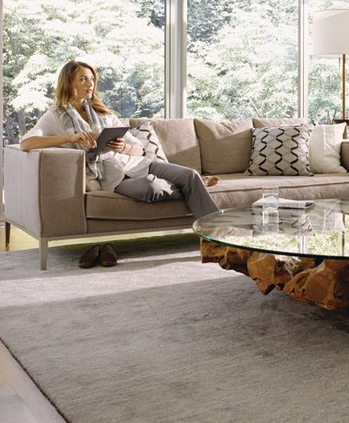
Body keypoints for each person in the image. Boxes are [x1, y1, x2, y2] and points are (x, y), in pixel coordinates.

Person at [20, 60, 220, 268]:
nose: (90, 84)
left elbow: (139, 149)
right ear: (70, 83)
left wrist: (122, 146)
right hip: (110, 177)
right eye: (83, 79)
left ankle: (217, 237)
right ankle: (195, 187)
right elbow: (27, 143)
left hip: (136, 164)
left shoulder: (104, 114)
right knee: (152, 188)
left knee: (189, 174)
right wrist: (71, 137)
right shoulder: (55, 116)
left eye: (91, 79)